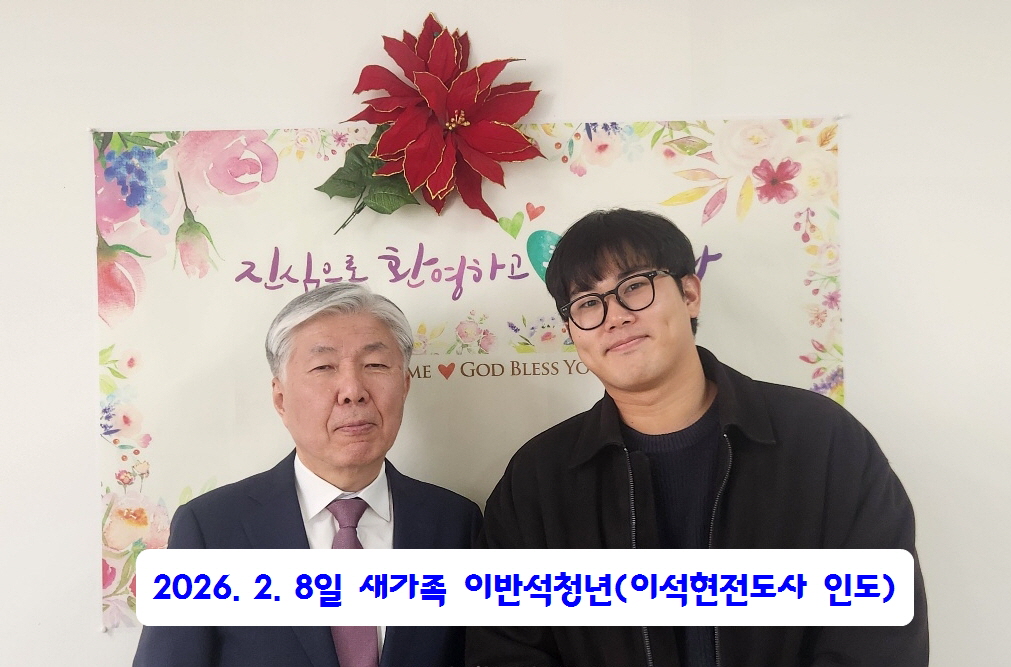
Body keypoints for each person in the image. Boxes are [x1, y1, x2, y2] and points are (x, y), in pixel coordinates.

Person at [467, 209, 928, 667]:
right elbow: (505, 648)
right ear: (571, 331)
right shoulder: (538, 479)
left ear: (689, 293)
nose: (615, 317)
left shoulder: (822, 441)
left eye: (634, 286)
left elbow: (879, 634)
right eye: (587, 302)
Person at [135, 283, 482, 667]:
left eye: (375, 365)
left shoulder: (455, 523)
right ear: (280, 398)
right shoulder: (211, 529)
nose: (352, 391)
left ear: (404, 386)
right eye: (323, 367)